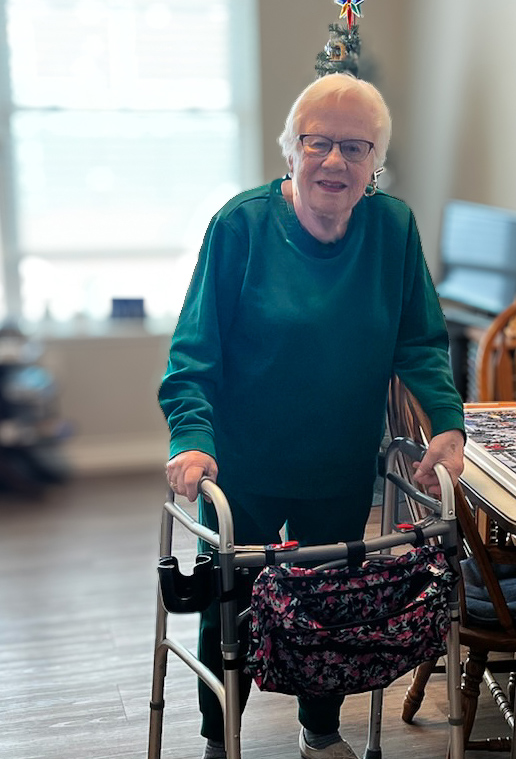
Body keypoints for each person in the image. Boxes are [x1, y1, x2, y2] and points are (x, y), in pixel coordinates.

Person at [158, 72, 465, 759]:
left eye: (355, 148)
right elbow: (193, 351)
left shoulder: (393, 227)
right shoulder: (240, 226)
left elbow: (419, 339)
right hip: (245, 463)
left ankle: (319, 730)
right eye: (317, 143)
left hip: (340, 461)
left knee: (333, 600)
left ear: (374, 164)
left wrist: (445, 420)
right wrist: (192, 436)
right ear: (289, 152)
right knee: (227, 600)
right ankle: (220, 735)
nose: (334, 162)